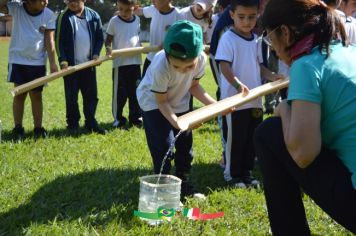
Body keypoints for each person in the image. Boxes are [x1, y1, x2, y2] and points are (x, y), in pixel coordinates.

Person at [254, 0, 356, 234]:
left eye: (270, 40)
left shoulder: (307, 65)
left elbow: (303, 154)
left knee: (267, 133)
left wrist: (284, 108)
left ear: (285, 33)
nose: (274, 49)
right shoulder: (349, 52)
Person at [136, 20, 216, 197]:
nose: (183, 71)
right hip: (153, 103)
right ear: (167, 55)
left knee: (185, 145)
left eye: (189, 66)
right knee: (164, 145)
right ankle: (163, 188)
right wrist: (177, 123)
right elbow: (162, 102)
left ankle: (183, 182)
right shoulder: (160, 66)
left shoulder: (201, 58)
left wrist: (215, 106)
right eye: (177, 66)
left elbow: (194, 86)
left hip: (178, 99)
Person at [215, 0, 281, 187]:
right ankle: (232, 174)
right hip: (234, 102)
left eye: (251, 17)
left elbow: (259, 66)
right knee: (235, 140)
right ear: (232, 15)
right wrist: (237, 85)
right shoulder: (228, 38)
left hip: (254, 101)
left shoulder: (256, 40)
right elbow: (224, 65)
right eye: (242, 17)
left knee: (251, 139)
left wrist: (272, 76)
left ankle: (247, 172)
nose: (247, 22)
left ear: (258, 15)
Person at [0, 0, 58, 141]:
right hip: (18, 60)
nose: (46, 2)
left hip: (37, 62)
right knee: (19, 95)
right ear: (30, 2)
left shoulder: (49, 14)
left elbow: (49, 40)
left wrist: (52, 63)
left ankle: (38, 128)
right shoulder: (17, 8)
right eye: (42, 0)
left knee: (37, 95)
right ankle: (18, 127)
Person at [55, 0, 106, 135]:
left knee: (91, 96)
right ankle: (73, 124)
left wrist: (96, 54)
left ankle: (90, 122)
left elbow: (100, 37)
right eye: (69, 1)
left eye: (76, 1)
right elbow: (58, 40)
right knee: (71, 97)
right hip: (71, 67)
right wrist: (63, 60)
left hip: (88, 66)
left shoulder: (94, 15)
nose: (72, 4)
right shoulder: (63, 17)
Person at [105, 0, 142, 129]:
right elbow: (108, 39)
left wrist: (140, 46)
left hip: (135, 63)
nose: (123, 13)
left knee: (136, 93)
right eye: (120, 9)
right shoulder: (114, 21)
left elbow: (135, 36)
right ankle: (119, 120)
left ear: (135, 8)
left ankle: (135, 119)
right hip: (120, 65)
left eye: (127, 10)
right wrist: (108, 49)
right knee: (120, 95)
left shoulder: (137, 19)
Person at [134, 0, 180, 78]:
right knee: (144, 88)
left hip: (167, 61)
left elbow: (179, 36)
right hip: (151, 58)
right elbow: (137, 11)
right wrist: (130, 9)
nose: (153, 1)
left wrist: (167, 42)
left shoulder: (178, 14)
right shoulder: (153, 9)